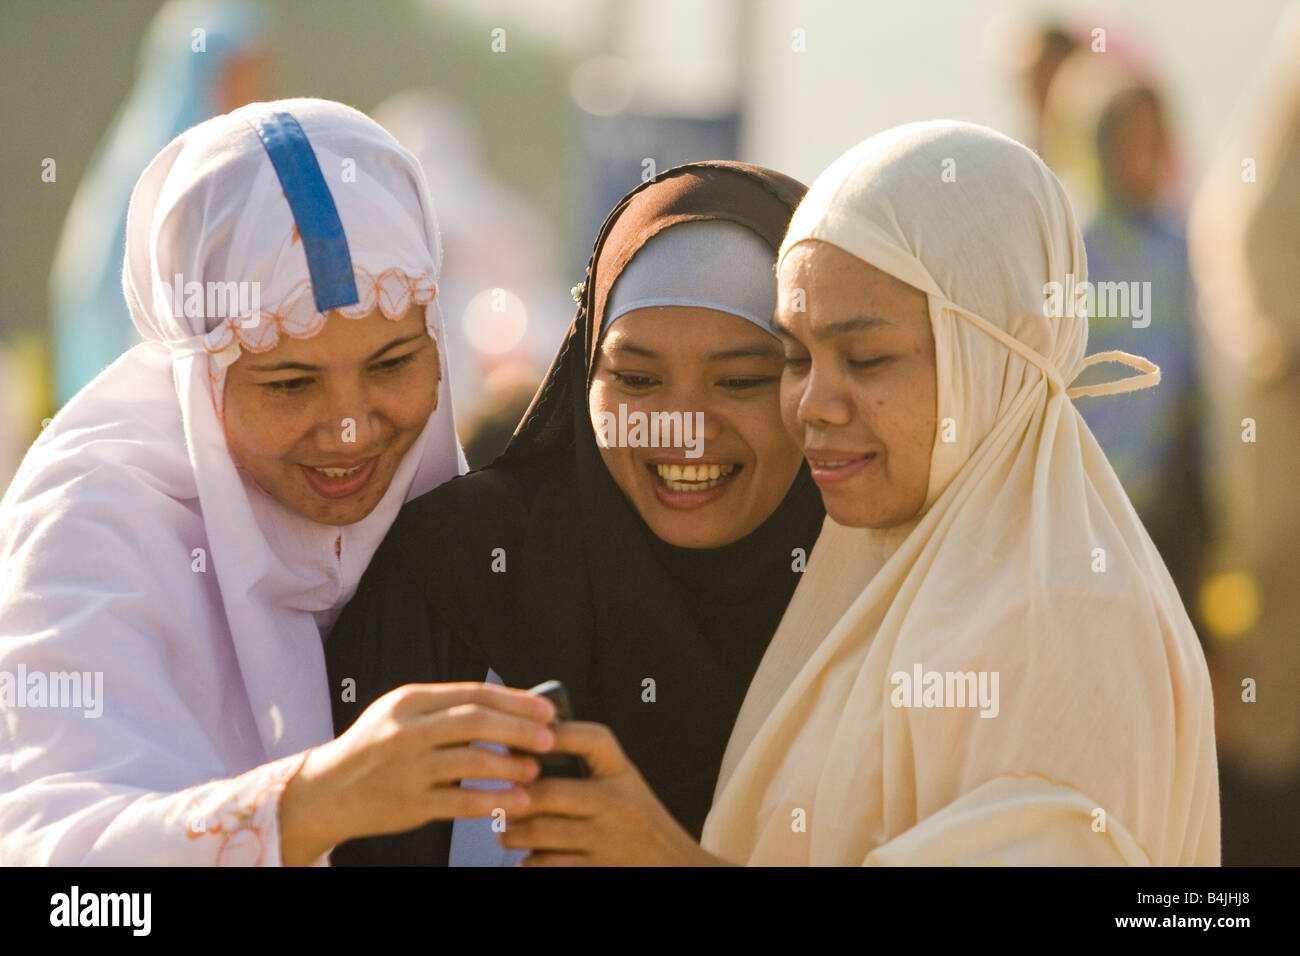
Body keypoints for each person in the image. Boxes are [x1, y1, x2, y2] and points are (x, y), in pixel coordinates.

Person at [494, 122, 1220, 866]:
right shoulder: (884, 570)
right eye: (796, 356)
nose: (813, 403)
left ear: (997, 352)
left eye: (866, 358)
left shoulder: (1064, 617)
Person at [0, 98, 558, 866]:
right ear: (201, 379)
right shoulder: (94, 533)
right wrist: (305, 805)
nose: (350, 429)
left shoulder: (457, 529)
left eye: (392, 365)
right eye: (290, 385)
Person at [326, 162, 826, 865]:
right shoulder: (460, 573)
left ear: (813, 385)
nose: (679, 428)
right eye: (636, 379)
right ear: (585, 367)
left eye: (741, 380)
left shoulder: (881, 592)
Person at [49, 0, 276, 405]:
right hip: (131, 366)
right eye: (247, 70)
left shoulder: (151, 147)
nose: (260, 87)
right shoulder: (180, 165)